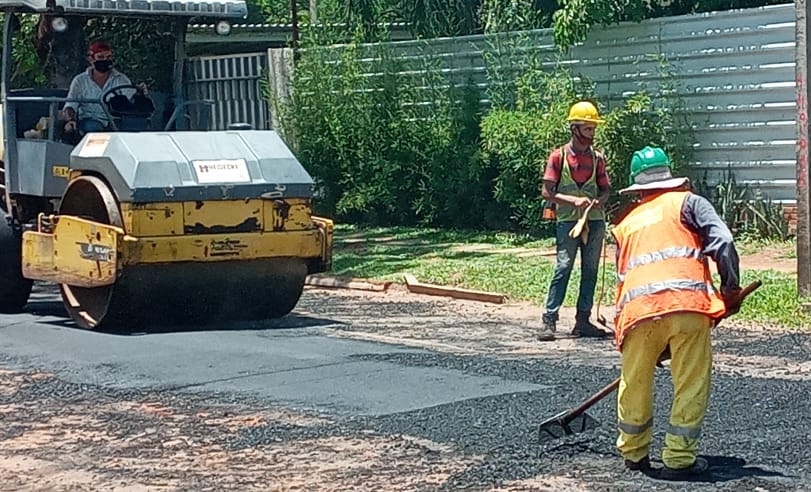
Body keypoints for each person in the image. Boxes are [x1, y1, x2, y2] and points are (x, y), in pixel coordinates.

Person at [611, 146, 742, 480]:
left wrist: (631, 336)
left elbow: (623, 280)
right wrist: (730, 290)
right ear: (670, 178)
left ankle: (634, 452)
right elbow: (723, 241)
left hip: (638, 313)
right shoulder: (689, 202)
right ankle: (679, 458)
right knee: (690, 382)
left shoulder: (626, 223)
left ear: (637, 188)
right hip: (687, 310)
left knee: (635, 381)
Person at [537, 101, 613, 341]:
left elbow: (605, 190)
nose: (591, 134)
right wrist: (573, 201)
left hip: (595, 221)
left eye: (593, 129)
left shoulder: (598, 158)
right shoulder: (558, 157)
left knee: (590, 270)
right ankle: (550, 319)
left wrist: (599, 201)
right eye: (588, 129)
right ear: (575, 128)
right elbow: (547, 192)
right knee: (564, 266)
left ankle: (583, 321)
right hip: (568, 222)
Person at [62, 41, 148, 140]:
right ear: (91, 59)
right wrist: (70, 120)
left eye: (109, 57)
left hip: (116, 121)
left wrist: (139, 93)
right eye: (101, 57)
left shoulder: (120, 79)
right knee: (94, 128)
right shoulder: (80, 81)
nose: (105, 60)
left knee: (132, 129)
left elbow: (131, 100)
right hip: (90, 121)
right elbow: (70, 105)